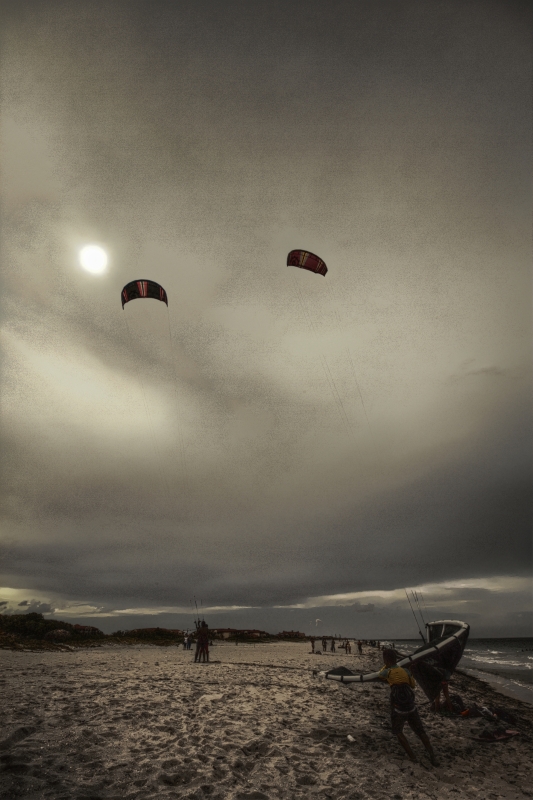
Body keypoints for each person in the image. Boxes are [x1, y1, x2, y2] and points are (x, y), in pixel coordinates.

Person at [378, 649, 438, 766]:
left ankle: (412, 757)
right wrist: (408, 675)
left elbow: (380, 674)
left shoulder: (388, 671)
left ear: (386, 659)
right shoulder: (405, 671)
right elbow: (413, 685)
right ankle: (432, 756)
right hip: (411, 706)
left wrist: (385, 666)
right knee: (420, 731)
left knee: (398, 731)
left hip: (398, 707)